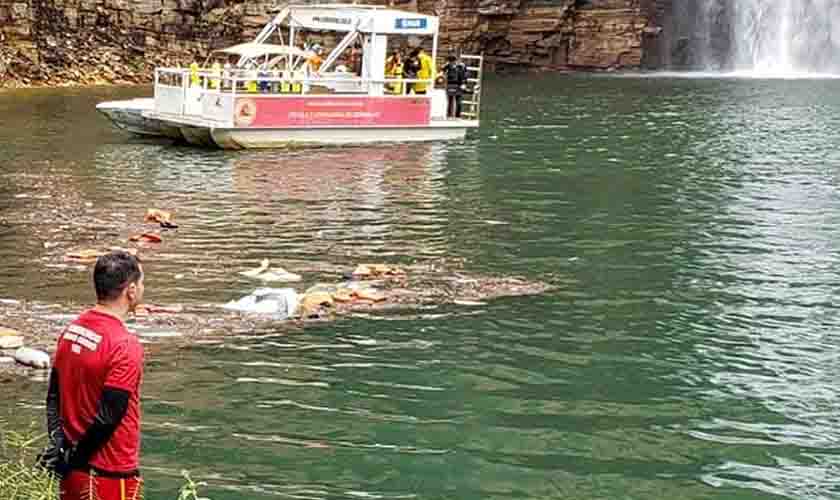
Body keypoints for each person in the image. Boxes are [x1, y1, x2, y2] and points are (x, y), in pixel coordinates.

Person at [40, 250, 146, 500]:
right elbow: (109, 417)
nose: (143, 288)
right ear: (130, 290)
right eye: (142, 282)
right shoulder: (125, 345)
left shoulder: (72, 330)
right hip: (110, 474)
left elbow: (53, 396)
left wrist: (59, 446)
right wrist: (73, 459)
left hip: (73, 471)